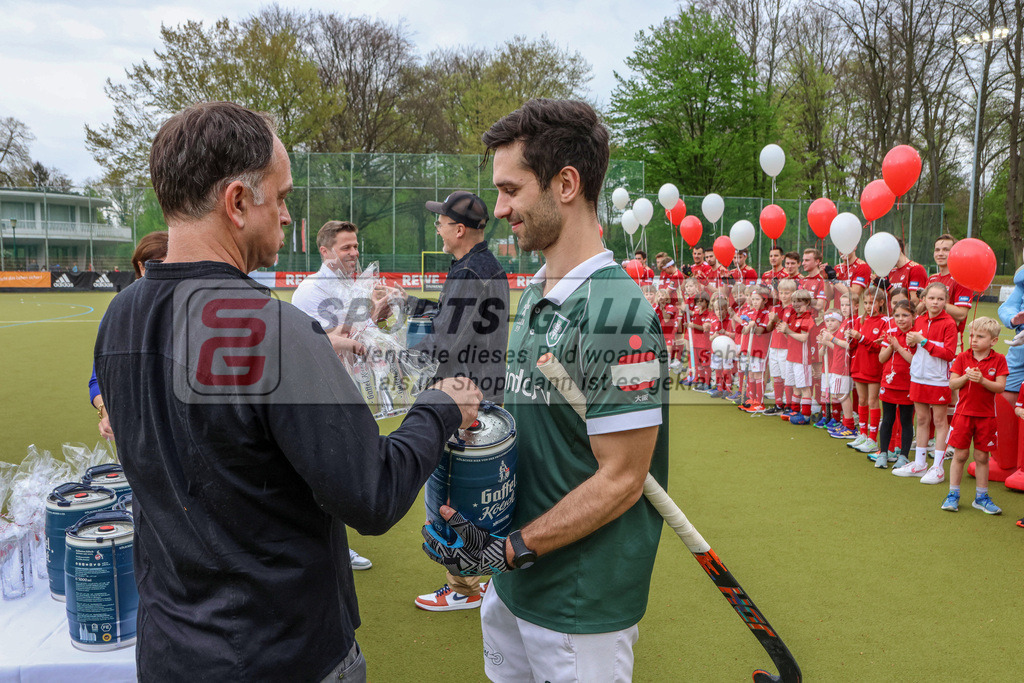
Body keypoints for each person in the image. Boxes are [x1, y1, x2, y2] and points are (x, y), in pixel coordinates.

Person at [94, 101, 482, 681]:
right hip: (283, 652)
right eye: (280, 198)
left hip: (171, 651)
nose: (285, 216)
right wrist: (441, 408)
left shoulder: (119, 316)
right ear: (236, 202)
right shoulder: (273, 330)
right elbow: (371, 493)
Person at [422, 99, 669, 682]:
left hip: (576, 605)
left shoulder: (615, 311)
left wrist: (512, 548)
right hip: (514, 582)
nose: (500, 208)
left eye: (511, 190)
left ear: (565, 184)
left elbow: (623, 478)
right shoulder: (536, 290)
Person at [412, 190, 510, 611]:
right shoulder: (483, 266)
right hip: (483, 395)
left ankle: (465, 586)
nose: (437, 225)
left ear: (459, 228)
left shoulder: (470, 272)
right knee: (474, 497)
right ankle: (475, 580)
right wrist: (409, 305)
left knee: (452, 499)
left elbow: (446, 342)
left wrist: (401, 335)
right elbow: (454, 322)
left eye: (441, 220)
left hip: (466, 400)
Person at [290, 220, 383, 571]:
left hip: (347, 388)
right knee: (323, 470)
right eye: (346, 247)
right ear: (325, 251)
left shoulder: (352, 285)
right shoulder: (309, 291)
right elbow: (316, 344)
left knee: (340, 467)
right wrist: (355, 339)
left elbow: (362, 330)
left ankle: (332, 543)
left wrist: (378, 312)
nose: (354, 253)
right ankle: (328, 548)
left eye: (356, 246)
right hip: (318, 393)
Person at [89, 231, 169, 442]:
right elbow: (97, 380)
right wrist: (106, 413)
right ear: (141, 267)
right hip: (136, 440)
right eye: (156, 264)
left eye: (169, 263)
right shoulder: (119, 310)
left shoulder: (189, 307)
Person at [942, 317, 1008, 513]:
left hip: (986, 416)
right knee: (960, 455)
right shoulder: (962, 357)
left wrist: (982, 380)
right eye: (972, 335)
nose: (974, 339)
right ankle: (953, 494)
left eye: (980, 336)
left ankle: (981, 497)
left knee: (981, 456)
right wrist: (965, 376)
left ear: (993, 341)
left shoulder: (999, 359)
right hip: (963, 415)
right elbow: (952, 384)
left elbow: (1000, 387)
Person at [894, 282, 957, 479]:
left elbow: (948, 354)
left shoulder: (949, 324)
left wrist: (923, 341)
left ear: (946, 301)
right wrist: (913, 344)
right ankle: (920, 463)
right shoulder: (919, 320)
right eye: (931, 298)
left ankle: (938, 468)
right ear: (924, 300)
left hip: (938, 380)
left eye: (940, 299)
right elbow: (915, 350)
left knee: (939, 421)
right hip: (918, 378)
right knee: (921, 419)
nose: (935, 302)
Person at [875, 300, 917, 468]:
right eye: (897, 315)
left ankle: (903, 456)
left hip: (907, 384)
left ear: (914, 316)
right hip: (889, 382)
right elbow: (881, 358)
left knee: (906, 420)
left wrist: (899, 347)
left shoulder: (916, 335)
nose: (900, 319)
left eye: (905, 315)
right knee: (887, 419)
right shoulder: (890, 332)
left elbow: (914, 361)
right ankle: (883, 453)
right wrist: (891, 347)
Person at [847, 286, 887, 453]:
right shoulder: (859, 320)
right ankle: (863, 434)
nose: (868, 306)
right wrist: (851, 338)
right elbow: (855, 346)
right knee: (861, 401)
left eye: (872, 303)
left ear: (881, 302)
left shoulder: (885, 321)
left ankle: (872, 438)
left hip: (874, 367)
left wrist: (861, 337)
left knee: (872, 401)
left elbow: (878, 348)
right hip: (859, 366)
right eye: (866, 303)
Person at [777, 289, 816, 425]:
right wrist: (784, 331)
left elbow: (804, 337)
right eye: (794, 301)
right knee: (794, 385)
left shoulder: (807, 317)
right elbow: (791, 336)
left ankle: (805, 416)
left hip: (802, 358)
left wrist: (787, 330)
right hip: (791, 356)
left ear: (807, 302)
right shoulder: (793, 317)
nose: (795, 304)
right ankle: (794, 410)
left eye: (799, 301)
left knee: (804, 387)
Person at [886, 238, 928, 305]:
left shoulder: (916, 269)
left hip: (905, 314)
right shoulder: (892, 271)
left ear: (898, 249)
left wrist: (889, 288)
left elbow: (915, 301)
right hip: (893, 315)